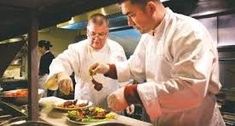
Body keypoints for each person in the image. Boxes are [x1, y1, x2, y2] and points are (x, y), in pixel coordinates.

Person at [89, 0, 225, 125]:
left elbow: (190, 88)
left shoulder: (188, 32)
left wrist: (130, 94)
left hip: (195, 121)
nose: (129, 23)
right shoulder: (149, 35)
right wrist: (107, 69)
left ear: (150, 8)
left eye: (131, 15)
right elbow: (134, 66)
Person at [45, 13, 127, 109]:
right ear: (87, 32)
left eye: (100, 34)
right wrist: (61, 74)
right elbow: (61, 61)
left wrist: (126, 96)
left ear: (107, 33)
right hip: (83, 104)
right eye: (93, 34)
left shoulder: (116, 48)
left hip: (111, 104)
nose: (96, 39)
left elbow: (124, 74)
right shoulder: (78, 48)